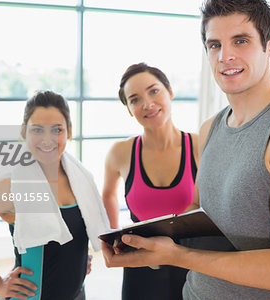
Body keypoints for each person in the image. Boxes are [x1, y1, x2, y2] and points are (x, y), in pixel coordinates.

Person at [101, 0, 270, 299]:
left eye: (240, 41)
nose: (225, 56)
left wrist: (176, 256)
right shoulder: (211, 127)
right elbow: (198, 213)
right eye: (214, 45)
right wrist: (146, 242)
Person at [0, 90, 109, 300]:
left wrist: (77, 259)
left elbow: (72, 236)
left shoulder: (81, 180)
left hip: (77, 294)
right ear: (23, 131)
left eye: (57, 129)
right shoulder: (9, 186)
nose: (47, 140)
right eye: (37, 130)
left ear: (69, 132)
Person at [102, 63, 199, 299]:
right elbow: (107, 195)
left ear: (170, 91)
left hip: (190, 261)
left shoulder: (200, 145)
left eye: (154, 91)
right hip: (140, 262)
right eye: (134, 99)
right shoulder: (120, 152)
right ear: (129, 109)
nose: (147, 104)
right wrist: (113, 237)